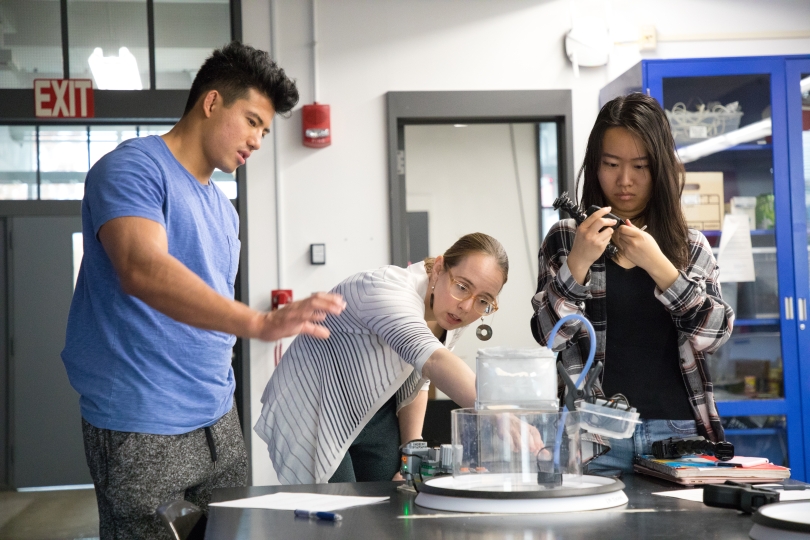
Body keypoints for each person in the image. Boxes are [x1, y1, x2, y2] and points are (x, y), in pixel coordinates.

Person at [61, 42, 345, 539]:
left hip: (218, 419)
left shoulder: (223, 209)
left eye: (265, 130)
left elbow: (205, 305)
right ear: (211, 103)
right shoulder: (133, 168)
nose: (258, 140)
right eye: (253, 121)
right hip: (142, 421)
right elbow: (142, 268)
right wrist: (257, 323)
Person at [530, 93, 734, 474]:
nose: (625, 181)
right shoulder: (565, 237)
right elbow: (550, 337)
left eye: (641, 166)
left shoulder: (689, 247)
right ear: (595, 166)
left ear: (661, 168)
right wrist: (578, 262)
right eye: (611, 164)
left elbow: (715, 336)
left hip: (677, 431)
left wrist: (660, 266)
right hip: (593, 434)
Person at [255, 233, 542, 484]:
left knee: (387, 506)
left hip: (375, 409)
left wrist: (411, 448)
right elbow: (433, 360)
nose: (467, 306)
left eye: (483, 300)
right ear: (439, 268)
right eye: (462, 286)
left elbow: (420, 376)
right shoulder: (387, 289)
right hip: (315, 406)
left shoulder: (450, 312)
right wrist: (500, 414)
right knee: (341, 515)